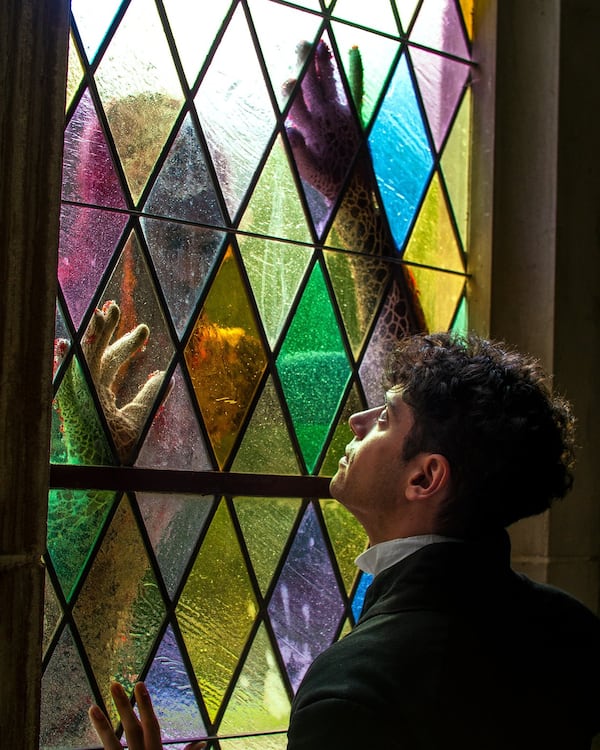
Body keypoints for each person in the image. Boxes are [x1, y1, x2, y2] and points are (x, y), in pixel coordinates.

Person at [89, 331, 600, 749]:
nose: (356, 421)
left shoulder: (354, 689)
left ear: (424, 479)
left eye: (385, 418)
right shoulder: (575, 631)